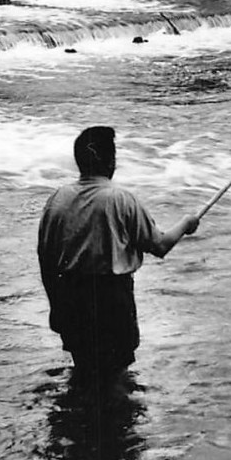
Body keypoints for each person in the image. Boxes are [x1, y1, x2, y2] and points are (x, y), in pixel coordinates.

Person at [38, 125, 200, 381]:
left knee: (84, 368)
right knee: (116, 375)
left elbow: (45, 258)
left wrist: (55, 306)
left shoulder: (57, 199)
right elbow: (160, 245)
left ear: (79, 161)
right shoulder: (121, 200)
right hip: (111, 300)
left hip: (70, 298)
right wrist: (186, 224)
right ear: (111, 161)